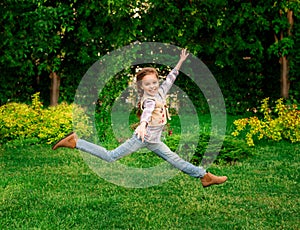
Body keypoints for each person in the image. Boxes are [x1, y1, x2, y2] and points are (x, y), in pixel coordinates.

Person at [52, 49, 227, 187]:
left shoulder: (159, 92)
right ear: (141, 86)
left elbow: (170, 80)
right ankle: (76, 142)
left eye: (154, 82)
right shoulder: (149, 99)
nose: (152, 86)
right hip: (141, 138)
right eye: (147, 84)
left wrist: (180, 62)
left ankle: (204, 176)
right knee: (110, 156)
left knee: (176, 160)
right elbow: (147, 112)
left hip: (154, 140)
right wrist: (142, 125)